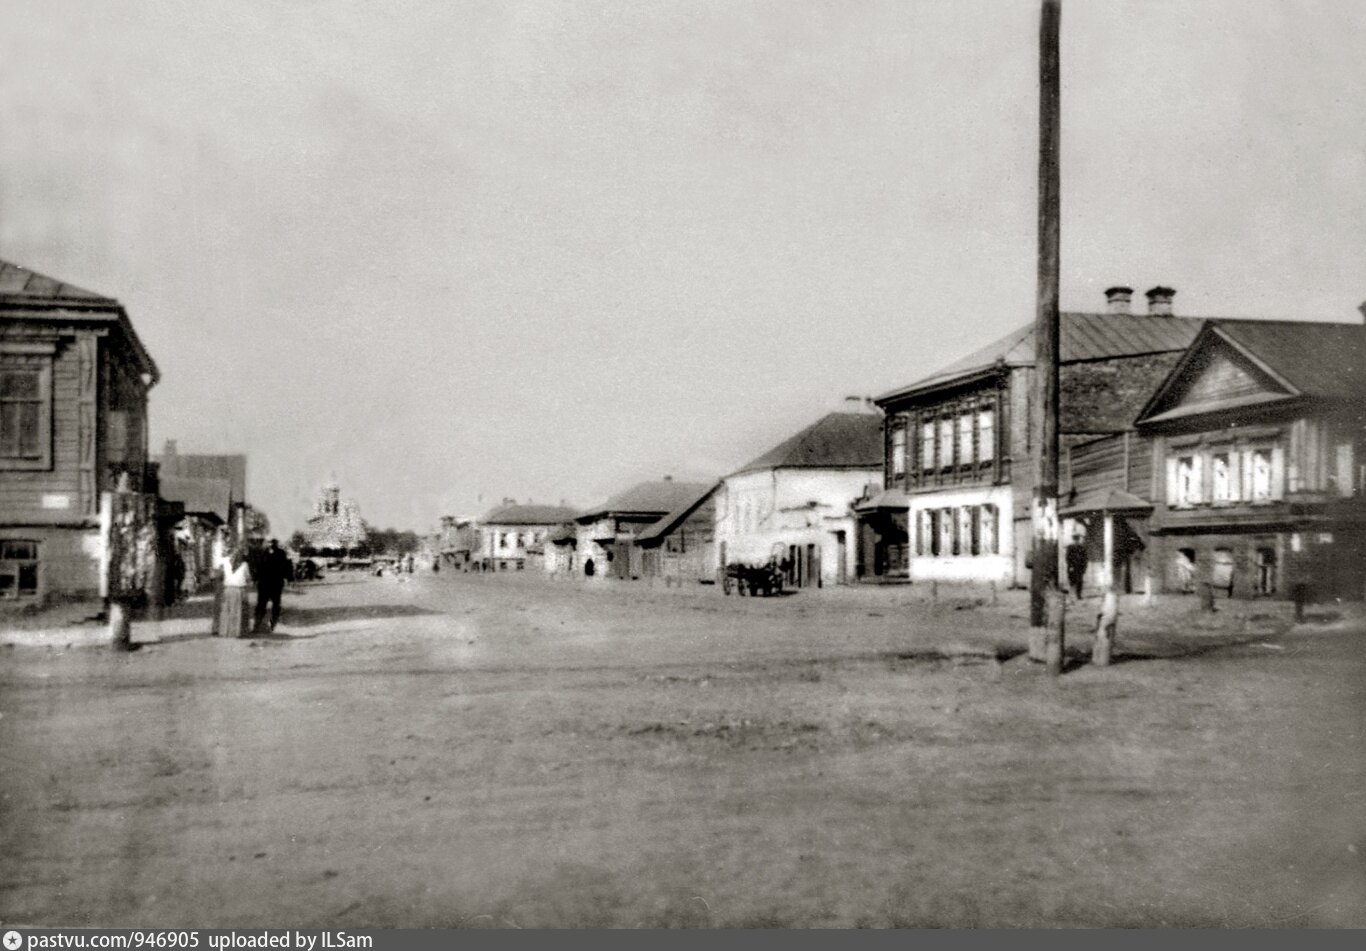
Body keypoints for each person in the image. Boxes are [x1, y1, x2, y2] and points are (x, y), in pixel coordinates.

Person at [214, 533, 252, 637]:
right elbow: (248, 578)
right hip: (239, 591)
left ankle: (225, 631)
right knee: (238, 612)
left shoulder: (225, 562)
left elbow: (219, 575)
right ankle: (237, 632)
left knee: (227, 610)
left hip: (227, 590)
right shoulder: (244, 565)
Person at [253, 538, 293, 633]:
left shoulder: (280, 553)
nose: (270, 544)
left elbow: (286, 565)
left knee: (274, 604)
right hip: (266, 583)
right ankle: (258, 626)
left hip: (274, 583)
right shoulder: (263, 553)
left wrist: (289, 578)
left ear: (275, 543)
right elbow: (258, 566)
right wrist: (255, 578)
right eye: (269, 542)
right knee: (262, 604)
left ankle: (270, 625)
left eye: (272, 542)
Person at [1065, 533, 1088, 600]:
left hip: (1080, 567)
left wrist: (1084, 567)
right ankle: (1072, 594)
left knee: (1079, 581)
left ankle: (1078, 595)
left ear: (1079, 540)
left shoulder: (1082, 547)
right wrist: (1071, 566)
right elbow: (1068, 557)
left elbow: (1085, 558)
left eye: (1077, 540)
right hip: (1072, 567)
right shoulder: (1070, 547)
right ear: (1073, 540)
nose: (1076, 541)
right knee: (1072, 580)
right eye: (1075, 540)